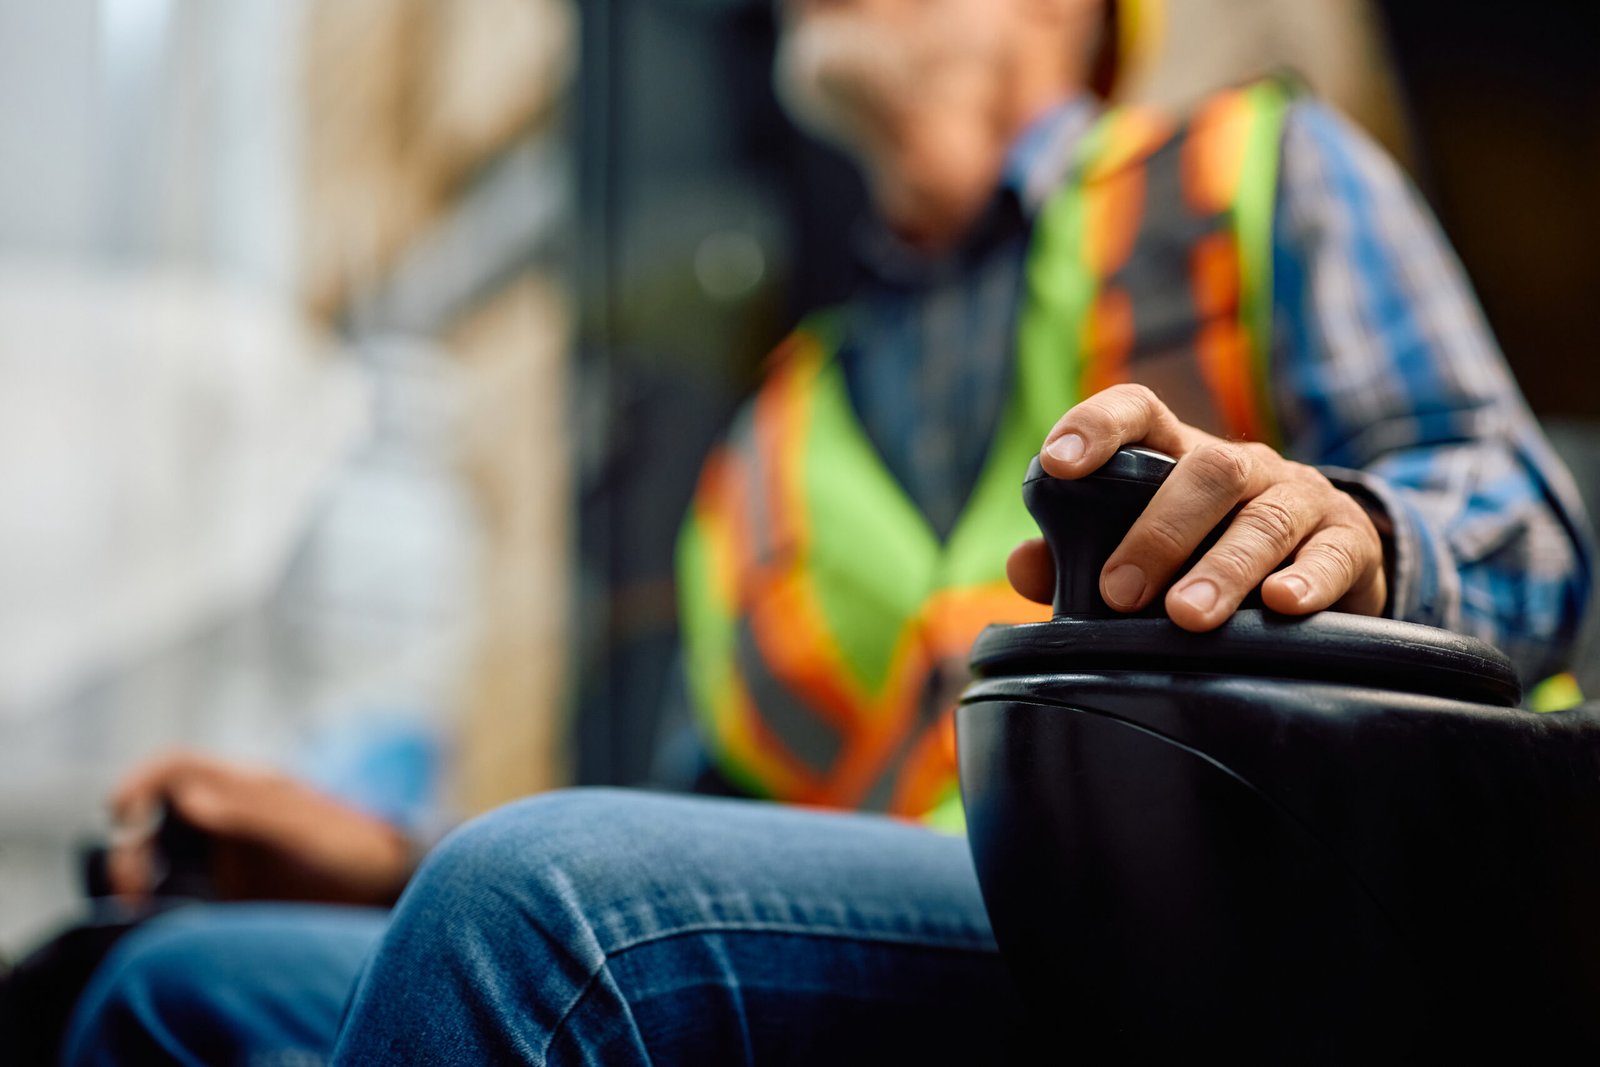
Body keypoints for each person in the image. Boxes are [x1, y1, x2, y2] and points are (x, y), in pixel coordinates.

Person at [64, 0, 1592, 1063]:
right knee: (184, 988)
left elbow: (1527, 526)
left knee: (534, 903)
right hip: (894, 935)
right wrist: (393, 866)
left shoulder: (1254, 177)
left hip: (1219, 922)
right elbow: (703, 839)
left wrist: (1357, 539)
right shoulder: (778, 429)